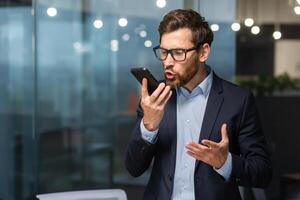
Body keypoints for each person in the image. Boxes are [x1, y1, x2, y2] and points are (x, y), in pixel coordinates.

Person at [125, 9, 272, 200]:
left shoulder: (238, 100)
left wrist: (225, 162)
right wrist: (148, 127)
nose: (167, 62)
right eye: (163, 52)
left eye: (178, 53)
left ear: (203, 52)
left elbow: (263, 173)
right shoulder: (155, 98)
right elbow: (133, 168)